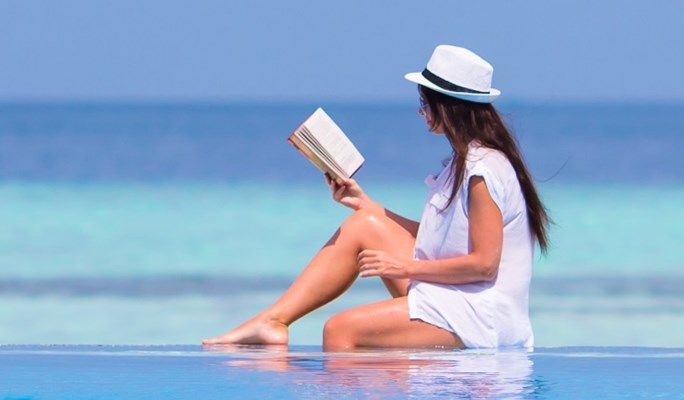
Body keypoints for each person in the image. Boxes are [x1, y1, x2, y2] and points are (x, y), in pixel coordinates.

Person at [203, 44, 550, 350]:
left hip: (483, 316)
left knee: (340, 330)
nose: (420, 112)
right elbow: (442, 237)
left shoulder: (483, 169)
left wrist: (405, 267)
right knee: (364, 224)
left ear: (448, 107)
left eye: (424, 103)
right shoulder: (463, 162)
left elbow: (484, 263)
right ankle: (273, 321)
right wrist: (366, 204)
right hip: (463, 298)